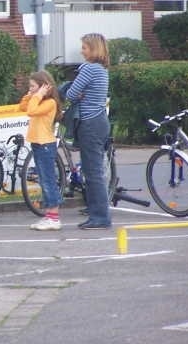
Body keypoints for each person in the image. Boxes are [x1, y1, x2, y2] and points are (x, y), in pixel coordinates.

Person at [66, 32, 111, 230]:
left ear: (93, 49)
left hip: (90, 123)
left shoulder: (88, 69)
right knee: (94, 170)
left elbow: (71, 93)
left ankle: (100, 217)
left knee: (92, 172)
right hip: (100, 120)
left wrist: (78, 94)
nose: (81, 51)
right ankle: (96, 213)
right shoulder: (101, 69)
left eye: (84, 47)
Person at [19, 70, 64, 231]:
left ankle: (54, 217)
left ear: (44, 87)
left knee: (48, 180)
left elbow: (31, 111)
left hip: (46, 144)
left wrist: (37, 95)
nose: (30, 88)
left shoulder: (49, 102)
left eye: (33, 86)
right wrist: (31, 94)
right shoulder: (36, 100)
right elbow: (23, 106)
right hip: (37, 143)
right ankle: (48, 215)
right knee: (43, 179)